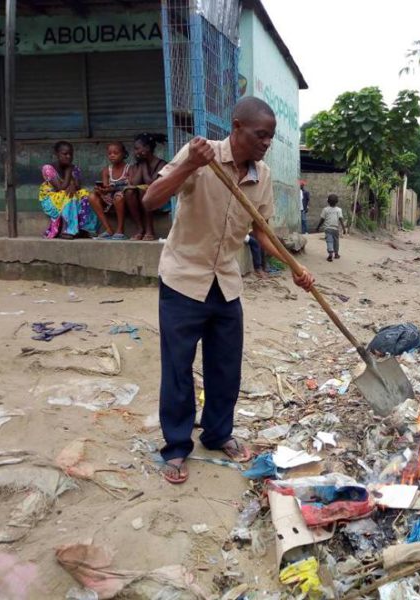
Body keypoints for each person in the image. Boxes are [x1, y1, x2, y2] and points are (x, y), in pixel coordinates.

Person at [141, 97, 315, 484]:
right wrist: (189, 164)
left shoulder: (262, 175)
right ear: (236, 127)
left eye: (270, 137)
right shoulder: (200, 155)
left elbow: (262, 233)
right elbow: (151, 200)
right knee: (178, 368)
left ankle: (218, 434)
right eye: (260, 135)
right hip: (183, 278)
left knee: (225, 368)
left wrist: (294, 267)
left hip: (225, 282)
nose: (265, 142)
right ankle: (176, 446)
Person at [38, 141, 97, 239]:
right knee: (69, 195)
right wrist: (68, 171)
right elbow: (60, 188)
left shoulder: (75, 168)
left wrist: (73, 184)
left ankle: (85, 228)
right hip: (51, 198)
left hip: (66, 195)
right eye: (65, 154)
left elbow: (78, 186)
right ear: (57, 154)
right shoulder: (48, 168)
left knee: (85, 194)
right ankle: (66, 230)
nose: (68, 156)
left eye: (70, 154)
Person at [125, 133, 168, 241]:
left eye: (137, 149)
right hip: (142, 199)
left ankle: (149, 229)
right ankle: (140, 228)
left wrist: (143, 166)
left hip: (159, 198)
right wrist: (142, 165)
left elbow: (151, 183)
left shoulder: (161, 164)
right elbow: (134, 183)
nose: (135, 152)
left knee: (143, 190)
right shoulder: (139, 164)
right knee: (130, 191)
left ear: (147, 148)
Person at [89, 142, 135, 240]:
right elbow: (106, 187)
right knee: (92, 196)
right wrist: (101, 190)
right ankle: (108, 229)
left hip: (124, 199)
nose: (112, 155)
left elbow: (131, 185)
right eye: (110, 153)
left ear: (123, 154)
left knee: (118, 196)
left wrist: (114, 188)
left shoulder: (129, 168)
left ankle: (120, 230)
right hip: (110, 198)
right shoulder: (106, 170)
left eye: (115, 153)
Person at [316, 194, 346, 262]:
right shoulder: (339, 210)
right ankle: (336, 254)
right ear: (337, 202)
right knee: (336, 242)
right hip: (336, 229)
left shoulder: (325, 210)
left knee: (329, 241)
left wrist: (318, 227)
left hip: (328, 229)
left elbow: (322, 219)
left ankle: (330, 254)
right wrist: (344, 229)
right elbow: (341, 219)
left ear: (328, 201)